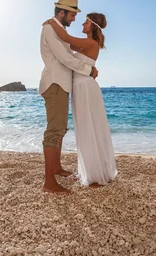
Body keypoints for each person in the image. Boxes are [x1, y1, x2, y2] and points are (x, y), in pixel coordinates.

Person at [45, 12, 117, 188]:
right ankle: (90, 171)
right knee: (85, 128)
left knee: (88, 129)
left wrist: (51, 23)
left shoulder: (90, 42)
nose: (82, 25)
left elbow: (65, 37)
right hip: (81, 87)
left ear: (93, 26)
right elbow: (67, 49)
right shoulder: (87, 44)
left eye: (86, 23)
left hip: (85, 88)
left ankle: (94, 175)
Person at [39, 0, 98, 194]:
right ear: (62, 12)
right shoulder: (49, 29)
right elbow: (65, 59)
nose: (74, 19)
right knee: (54, 131)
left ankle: (56, 169)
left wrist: (89, 66)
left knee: (61, 129)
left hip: (62, 85)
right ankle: (49, 182)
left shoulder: (59, 30)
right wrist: (88, 70)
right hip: (55, 84)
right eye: (72, 15)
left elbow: (71, 54)